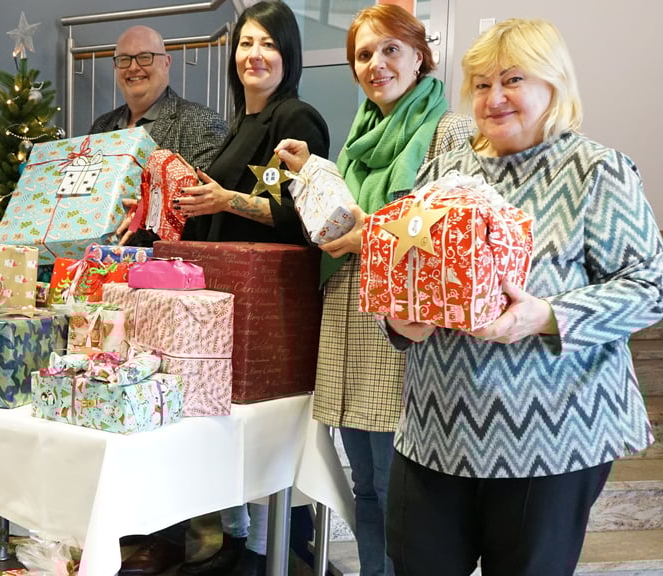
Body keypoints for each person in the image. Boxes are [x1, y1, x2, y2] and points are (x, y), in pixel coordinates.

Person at [383, 19, 662, 576]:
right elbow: (410, 279)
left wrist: (547, 315)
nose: (494, 97)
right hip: (435, 430)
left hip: (550, 436)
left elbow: (649, 288)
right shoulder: (444, 170)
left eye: (512, 79)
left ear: (554, 85)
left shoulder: (596, 170)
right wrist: (401, 322)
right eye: (481, 84)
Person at [275, 5, 474, 575]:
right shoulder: (359, 138)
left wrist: (371, 239)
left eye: (390, 49)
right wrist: (314, 173)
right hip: (348, 330)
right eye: (364, 54)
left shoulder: (448, 129)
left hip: (403, 339)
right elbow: (346, 217)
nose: (376, 64)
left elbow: (453, 237)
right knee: (365, 491)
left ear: (419, 55)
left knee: (398, 497)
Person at [176, 3, 330, 576]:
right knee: (225, 424)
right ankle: (238, 543)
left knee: (261, 432)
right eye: (245, 43)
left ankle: (272, 550)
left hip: (269, 305)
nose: (254, 55)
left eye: (267, 43)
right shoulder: (238, 123)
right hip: (223, 300)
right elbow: (218, 209)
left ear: (287, 54)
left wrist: (225, 200)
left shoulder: (299, 120)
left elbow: (301, 218)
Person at [90, 25, 227, 171]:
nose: (133, 67)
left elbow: (208, 190)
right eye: (124, 59)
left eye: (144, 57)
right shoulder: (101, 126)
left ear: (166, 62)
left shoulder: (203, 123)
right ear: (115, 67)